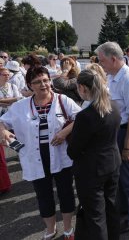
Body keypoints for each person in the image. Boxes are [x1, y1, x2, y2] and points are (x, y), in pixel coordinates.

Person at [0, 66, 80, 240]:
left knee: (65, 193)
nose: (43, 84)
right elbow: (2, 122)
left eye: (45, 80)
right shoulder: (20, 106)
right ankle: (50, 229)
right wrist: (4, 131)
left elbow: (81, 118)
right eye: (37, 82)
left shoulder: (62, 100)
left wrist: (64, 132)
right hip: (35, 157)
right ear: (30, 85)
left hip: (61, 155)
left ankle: (68, 228)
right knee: (44, 196)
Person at [95, 42, 129, 234]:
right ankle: (125, 211)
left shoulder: (128, 79)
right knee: (121, 176)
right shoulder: (113, 76)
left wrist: (128, 146)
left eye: (102, 61)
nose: (100, 65)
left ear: (114, 59)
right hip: (121, 130)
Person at [67, 69, 121, 240]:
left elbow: (73, 150)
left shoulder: (86, 116)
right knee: (111, 208)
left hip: (92, 171)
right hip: (112, 163)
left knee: (95, 216)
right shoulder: (114, 106)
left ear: (83, 88)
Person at [0, 67, 22, 196]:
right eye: (4, 74)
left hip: (12, 116)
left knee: (16, 138)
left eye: (8, 74)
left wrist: (4, 101)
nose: (7, 76)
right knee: (5, 139)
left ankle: (22, 151)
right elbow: (14, 100)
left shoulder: (12, 86)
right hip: (1, 118)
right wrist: (11, 100)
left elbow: (18, 99)